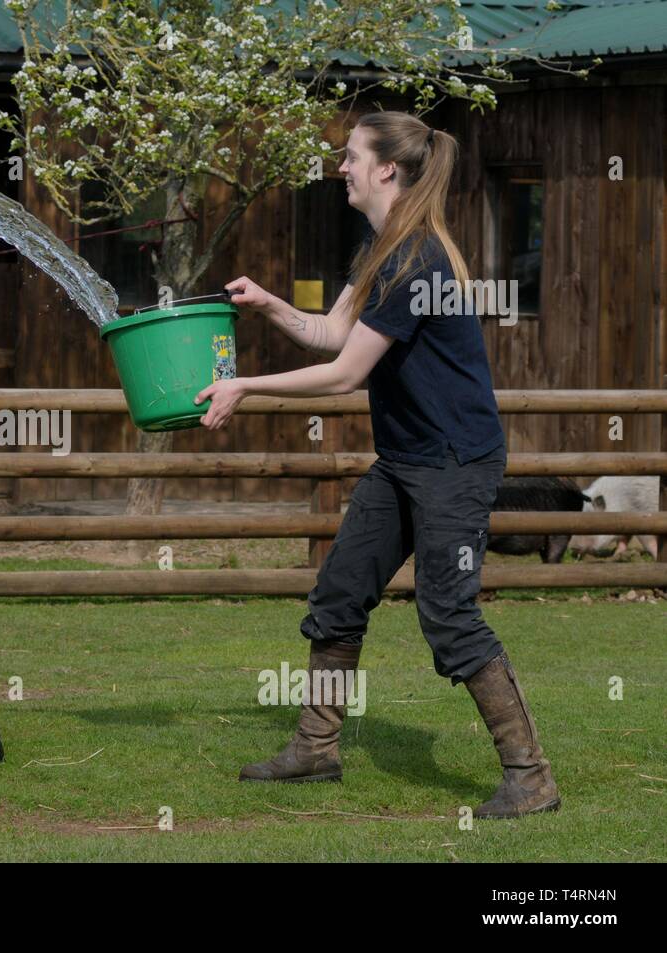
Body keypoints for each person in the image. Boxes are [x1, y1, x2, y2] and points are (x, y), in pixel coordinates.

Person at [197, 112, 560, 819]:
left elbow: (343, 375)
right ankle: (316, 748)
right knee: (339, 594)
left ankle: (531, 775)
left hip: (456, 461)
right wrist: (270, 303)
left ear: (386, 169)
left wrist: (244, 385)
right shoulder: (381, 248)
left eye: (351, 156)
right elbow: (332, 332)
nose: (342, 167)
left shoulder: (415, 257)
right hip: (404, 459)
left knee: (450, 617)